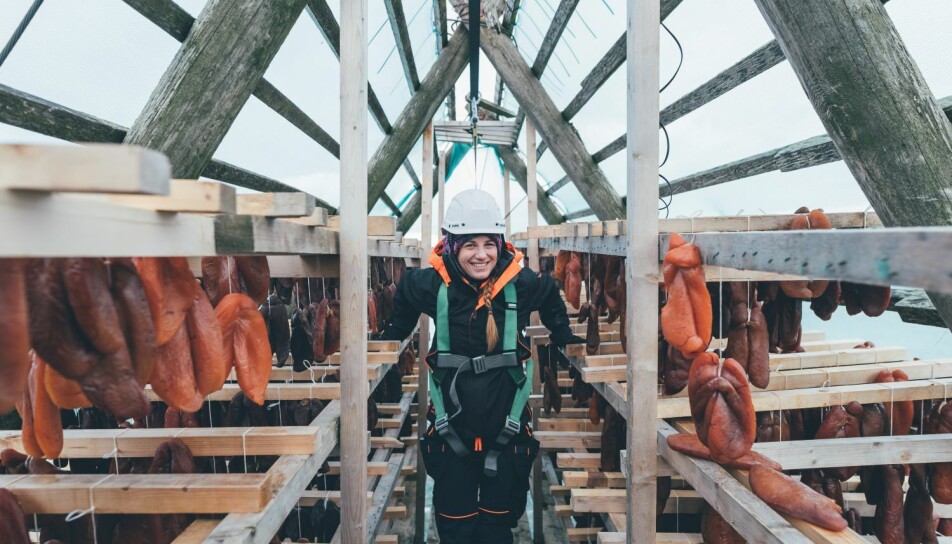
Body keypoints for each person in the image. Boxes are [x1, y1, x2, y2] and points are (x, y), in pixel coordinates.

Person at [380, 189, 582, 543]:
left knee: (497, 529)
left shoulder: (519, 284)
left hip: (506, 432)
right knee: (455, 529)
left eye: (489, 243)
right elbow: (407, 290)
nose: (481, 254)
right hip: (450, 433)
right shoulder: (435, 285)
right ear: (452, 246)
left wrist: (562, 333)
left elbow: (550, 292)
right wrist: (395, 331)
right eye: (470, 244)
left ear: (501, 244)